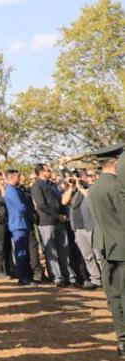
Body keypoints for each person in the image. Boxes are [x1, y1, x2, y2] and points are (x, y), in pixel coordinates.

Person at [87, 144, 125, 358]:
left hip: (105, 246)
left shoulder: (94, 188)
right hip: (121, 247)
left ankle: (122, 341)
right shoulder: (116, 187)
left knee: (114, 297)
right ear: (116, 162)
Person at [31, 163, 75, 286]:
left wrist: (62, 215)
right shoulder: (36, 186)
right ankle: (57, 278)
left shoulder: (52, 185)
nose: (50, 171)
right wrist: (57, 216)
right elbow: (41, 205)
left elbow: (60, 201)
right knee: (52, 252)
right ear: (42, 172)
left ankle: (69, 276)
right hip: (46, 222)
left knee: (64, 250)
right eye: (48, 169)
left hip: (59, 221)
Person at [62, 171, 103, 289]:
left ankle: (107, 279)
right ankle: (96, 279)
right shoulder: (73, 192)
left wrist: (80, 187)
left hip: (91, 226)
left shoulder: (93, 188)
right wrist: (71, 187)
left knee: (99, 255)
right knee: (87, 256)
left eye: (82, 177)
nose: (80, 179)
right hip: (78, 228)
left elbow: (92, 199)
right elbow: (64, 201)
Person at [2, 170, 37, 286]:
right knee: (21, 251)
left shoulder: (16, 190)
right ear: (12, 178)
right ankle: (23, 276)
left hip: (22, 223)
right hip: (18, 224)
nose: (20, 178)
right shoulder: (11, 191)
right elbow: (21, 207)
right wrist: (30, 212)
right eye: (17, 176)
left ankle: (27, 275)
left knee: (25, 250)